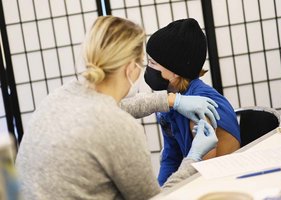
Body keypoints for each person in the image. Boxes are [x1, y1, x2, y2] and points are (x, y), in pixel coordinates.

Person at [15, 16, 218, 200]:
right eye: (144, 63)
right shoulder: (120, 128)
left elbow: (112, 109)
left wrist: (171, 100)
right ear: (130, 68)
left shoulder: (61, 96)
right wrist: (194, 157)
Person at [144, 18, 241, 186]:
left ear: (175, 71)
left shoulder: (201, 106)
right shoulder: (171, 101)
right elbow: (171, 157)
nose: (148, 68)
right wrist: (160, 194)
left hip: (223, 185)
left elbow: (204, 172)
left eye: (153, 63)